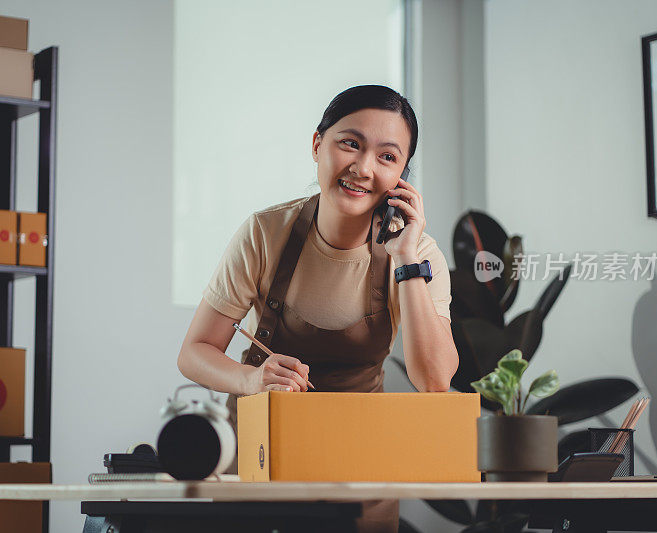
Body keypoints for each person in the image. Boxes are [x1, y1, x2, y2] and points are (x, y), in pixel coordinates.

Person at [177, 85, 459, 533]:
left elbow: (435, 379)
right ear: (317, 145)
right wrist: (251, 378)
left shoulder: (419, 253)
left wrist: (406, 260)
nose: (363, 168)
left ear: (403, 174)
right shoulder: (264, 233)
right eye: (350, 143)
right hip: (260, 459)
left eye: (387, 157)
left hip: (359, 468)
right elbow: (194, 351)